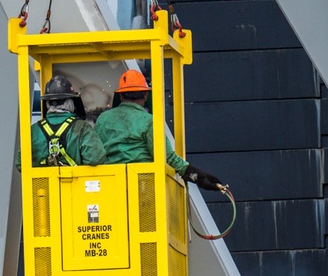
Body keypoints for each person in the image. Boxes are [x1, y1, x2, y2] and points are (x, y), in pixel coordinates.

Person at [94, 70, 224, 190]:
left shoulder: (102, 119)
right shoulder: (148, 121)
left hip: (110, 187)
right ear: (145, 95)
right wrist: (198, 176)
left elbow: (95, 153)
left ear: (121, 96)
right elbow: (167, 157)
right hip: (142, 187)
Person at [16, 72, 107, 169]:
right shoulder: (82, 128)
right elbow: (95, 158)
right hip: (75, 183)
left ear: (47, 103)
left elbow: (20, 163)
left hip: (44, 184)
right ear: (70, 102)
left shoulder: (34, 130)